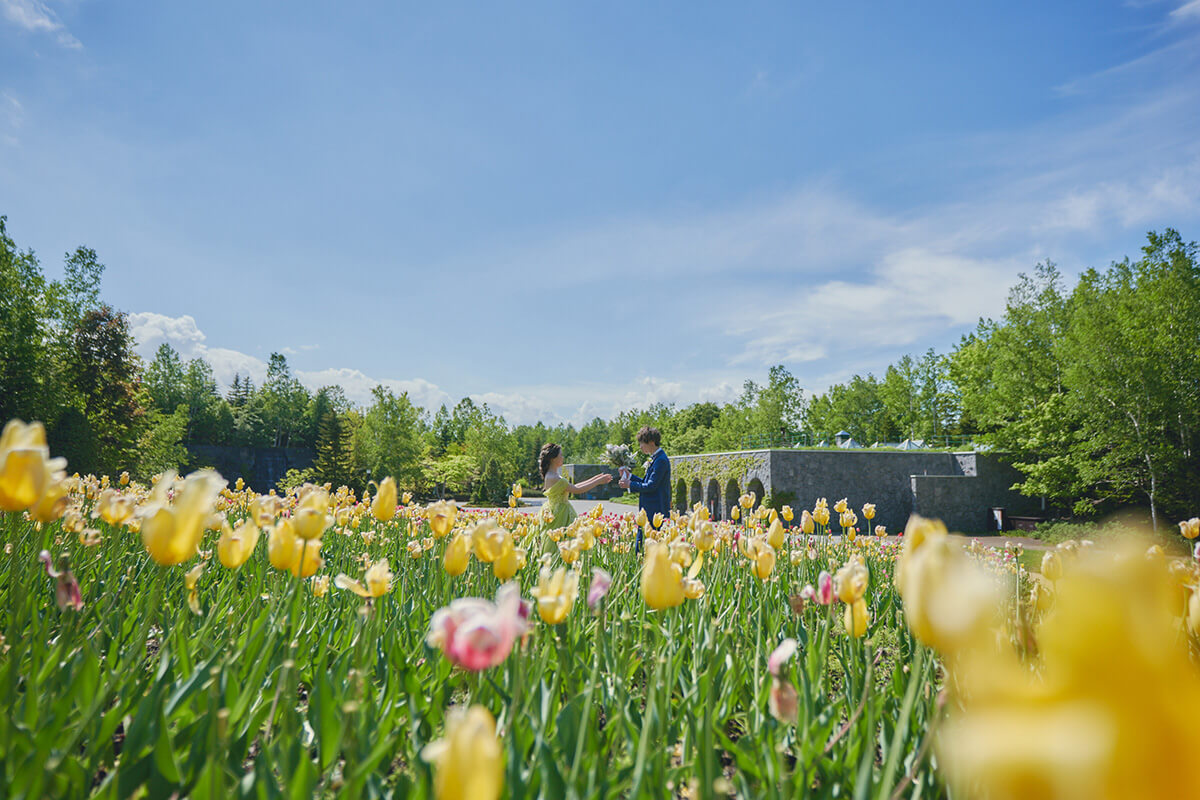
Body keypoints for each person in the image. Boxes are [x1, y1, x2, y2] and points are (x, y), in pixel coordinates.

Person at [619, 426, 670, 554]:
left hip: (655, 511)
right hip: (649, 510)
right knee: (641, 548)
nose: (640, 446)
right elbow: (645, 482)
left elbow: (651, 486)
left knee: (647, 549)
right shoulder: (656, 459)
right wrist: (629, 476)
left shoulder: (661, 461)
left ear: (651, 442)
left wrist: (630, 484)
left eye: (642, 443)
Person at [540, 442, 612, 530]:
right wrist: (598, 481)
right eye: (561, 455)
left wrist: (595, 478)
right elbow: (577, 489)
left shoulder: (552, 474)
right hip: (560, 514)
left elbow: (573, 486)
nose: (563, 457)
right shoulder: (554, 477)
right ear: (553, 458)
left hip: (556, 510)